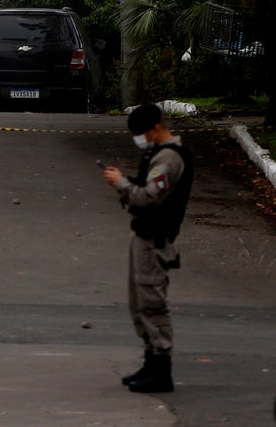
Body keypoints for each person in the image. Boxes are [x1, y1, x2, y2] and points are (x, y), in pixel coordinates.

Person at [101, 102, 195, 394]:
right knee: (139, 302)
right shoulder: (158, 154)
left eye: (141, 132)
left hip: (156, 238)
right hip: (144, 234)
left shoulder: (168, 158)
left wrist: (121, 185)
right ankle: (150, 362)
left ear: (156, 127)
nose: (139, 138)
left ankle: (160, 369)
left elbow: (149, 197)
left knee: (152, 304)